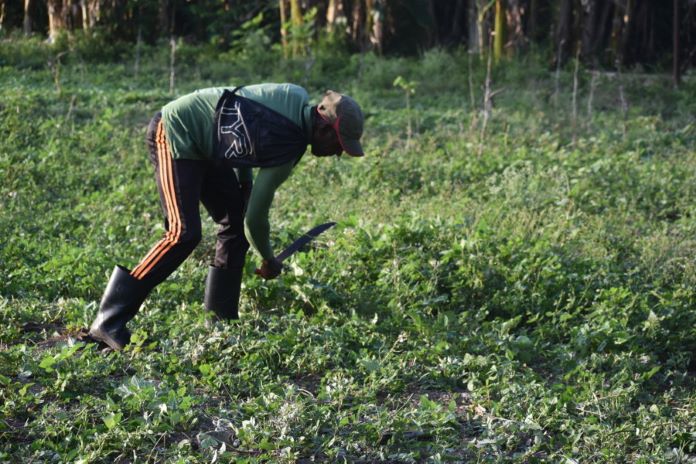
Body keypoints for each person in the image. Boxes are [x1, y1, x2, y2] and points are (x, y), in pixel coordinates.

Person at [88, 83, 365, 350]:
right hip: (176, 129)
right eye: (340, 144)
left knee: (233, 221)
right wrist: (268, 259)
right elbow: (255, 220)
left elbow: (245, 129)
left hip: (211, 148)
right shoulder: (289, 145)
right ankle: (109, 321)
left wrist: (244, 185)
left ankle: (220, 323)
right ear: (325, 129)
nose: (339, 152)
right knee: (182, 233)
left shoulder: (291, 97)